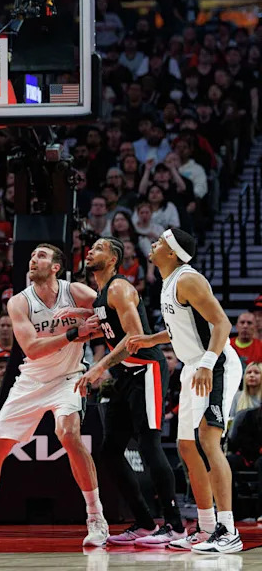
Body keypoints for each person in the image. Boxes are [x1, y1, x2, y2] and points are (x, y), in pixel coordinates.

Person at [0, 244, 109, 547]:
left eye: (41, 256)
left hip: (68, 377)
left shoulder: (78, 293)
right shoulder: (19, 302)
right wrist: (75, 332)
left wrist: (90, 327)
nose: (33, 260)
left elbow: (111, 324)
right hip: (31, 380)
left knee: (69, 435)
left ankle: (96, 518)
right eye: (32, 257)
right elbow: (31, 348)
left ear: (56, 266)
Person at [128, 228, 245, 553]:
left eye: (160, 241)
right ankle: (206, 527)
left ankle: (228, 529)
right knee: (186, 446)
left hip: (215, 362)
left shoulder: (189, 279)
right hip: (195, 364)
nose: (153, 244)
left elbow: (221, 323)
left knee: (209, 440)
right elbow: (183, 327)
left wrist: (207, 363)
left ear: (173, 252)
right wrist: (154, 340)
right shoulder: (169, 282)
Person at [75, 237, 184, 546]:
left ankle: (175, 526)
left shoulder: (120, 288)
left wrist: (99, 366)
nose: (90, 251)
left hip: (147, 370)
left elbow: (135, 337)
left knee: (149, 445)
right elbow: (109, 327)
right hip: (126, 374)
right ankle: (145, 523)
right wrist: (77, 319)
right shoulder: (101, 294)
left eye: (98, 248)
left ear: (112, 259)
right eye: (91, 247)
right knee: (110, 451)